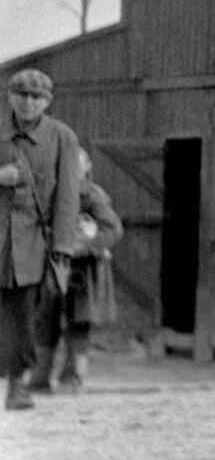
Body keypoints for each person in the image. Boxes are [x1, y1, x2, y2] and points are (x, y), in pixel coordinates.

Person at [1, 69, 81, 411]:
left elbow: (68, 196)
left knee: (22, 316)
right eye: (21, 94)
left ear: (47, 102)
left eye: (37, 97)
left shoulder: (62, 137)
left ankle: (16, 384)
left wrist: (62, 245)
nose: (28, 102)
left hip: (32, 243)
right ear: (9, 96)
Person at [31, 147, 121, 394]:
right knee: (45, 320)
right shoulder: (50, 193)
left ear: (87, 168)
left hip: (83, 272)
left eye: (76, 166)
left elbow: (113, 230)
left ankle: (72, 379)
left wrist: (83, 246)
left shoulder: (92, 196)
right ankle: (39, 378)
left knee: (78, 323)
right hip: (54, 268)